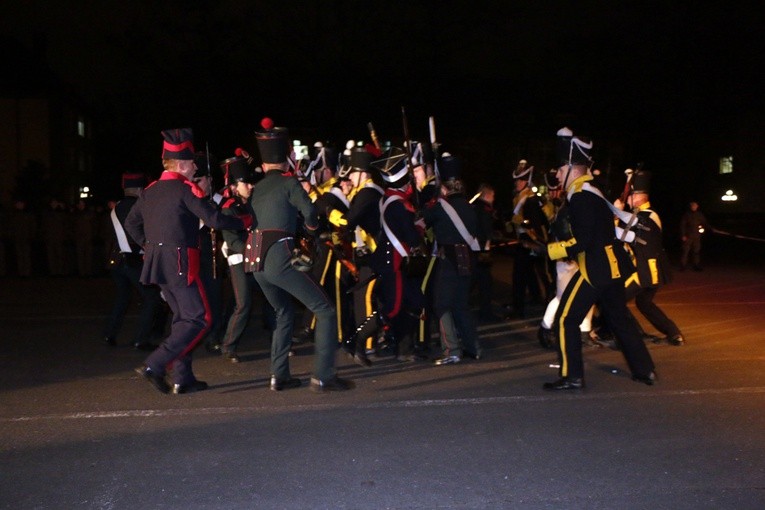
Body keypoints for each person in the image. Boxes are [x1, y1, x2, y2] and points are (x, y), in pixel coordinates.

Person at [125, 128, 250, 395]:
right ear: (181, 164)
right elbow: (215, 220)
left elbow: (131, 223)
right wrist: (245, 221)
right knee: (198, 318)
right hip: (180, 261)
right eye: (192, 162)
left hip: (158, 262)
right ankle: (155, 365)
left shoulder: (151, 190)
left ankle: (183, 378)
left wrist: (147, 244)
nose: (195, 166)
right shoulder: (185, 189)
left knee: (183, 319)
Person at [245, 117, 353, 392]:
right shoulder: (289, 182)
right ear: (288, 158)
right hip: (279, 256)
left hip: (255, 260)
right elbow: (310, 213)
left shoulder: (256, 188)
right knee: (325, 309)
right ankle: (323, 376)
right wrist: (312, 230)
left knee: (283, 312)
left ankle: (278, 375)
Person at [543, 127, 656, 390]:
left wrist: (549, 250)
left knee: (566, 319)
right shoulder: (592, 191)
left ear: (572, 168)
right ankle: (644, 370)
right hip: (612, 267)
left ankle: (572, 376)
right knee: (619, 318)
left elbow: (583, 241)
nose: (558, 174)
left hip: (594, 268)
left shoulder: (581, 197)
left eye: (561, 169)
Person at [422, 154, 483, 365]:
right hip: (467, 259)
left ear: (444, 189)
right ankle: (473, 347)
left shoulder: (440, 207)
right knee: (461, 305)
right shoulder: (469, 206)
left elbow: (421, 222)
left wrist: (425, 195)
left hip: (448, 260)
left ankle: (451, 350)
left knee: (441, 305)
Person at [371, 146, 427, 362]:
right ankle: (359, 339)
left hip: (400, 262)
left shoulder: (394, 199)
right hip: (395, 261)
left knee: (413, 302)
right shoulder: (397, 204)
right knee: (394, 308)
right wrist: (420, 227)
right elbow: (410, 237)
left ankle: (405, 348)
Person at [617, 170, 685, 346]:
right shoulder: (639, 215)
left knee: (615, 300)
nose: (628, 200)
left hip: (645, 270)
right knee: (644, 303)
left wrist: (615, 214)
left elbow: (626, 235)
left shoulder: (648, 215)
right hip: (645, 268)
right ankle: (674, 334)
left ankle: (623, 334)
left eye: (630, 196)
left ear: (639, 197)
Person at [102, 173, 162, 349]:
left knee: (122, 297)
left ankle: (109, 334)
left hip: (116, 260)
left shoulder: (115, 208)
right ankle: (141, 339)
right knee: (151, 298)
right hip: (134, 260)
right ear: (139, 189)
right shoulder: (139, 206)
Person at [218, 156, 257, 362]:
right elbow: (232, 240)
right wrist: (253, 252)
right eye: (245, 183)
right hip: (239, 260)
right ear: (234, 186)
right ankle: (228, 346)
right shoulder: (228, 207)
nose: (250, 186)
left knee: (272, 299)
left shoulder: (251, 203)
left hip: (256, 256)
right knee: (243, 304)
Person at [508, 160, 551, 319]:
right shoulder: (520, 197)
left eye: (520, 180)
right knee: (532, 274)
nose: (517, 183)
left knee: (519, 276)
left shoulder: (530, 199)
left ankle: (518, 309)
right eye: (517, 180)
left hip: (530, 242)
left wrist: (524, 225)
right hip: (525, 240)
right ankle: (537, 298)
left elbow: (535, 222)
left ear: (526, 181)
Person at [472, 183, 499, 321]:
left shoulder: (473, 206)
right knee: (485, 284)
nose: (493, 198)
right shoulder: (486, 209)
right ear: (487, 195)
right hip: (481, 251)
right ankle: (486, 313)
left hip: (472, 250)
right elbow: (487, 231)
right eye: (493, 195)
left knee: (474, 283)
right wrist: (487, 248)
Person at [680, 200, 708, 271]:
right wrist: (683, 235)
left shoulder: (699, 214)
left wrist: (704, 228)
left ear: (697, 206)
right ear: (690, 207)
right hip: (688, 235)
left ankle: (696, 265)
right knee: (685, 251)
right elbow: (683, 225)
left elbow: (704, 223)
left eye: (695, 205)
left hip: (697, 235)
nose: (694, 207)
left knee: (696, 251)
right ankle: (683, 266)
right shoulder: (687, 214)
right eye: (692, 205)